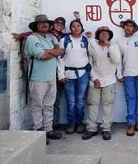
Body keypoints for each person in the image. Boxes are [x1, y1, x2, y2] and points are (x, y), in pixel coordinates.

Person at [24, 14, 63, 143]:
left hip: (51, 78)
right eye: (41, 23)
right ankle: (38, 132)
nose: (44, 24)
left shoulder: (51, 37)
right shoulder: (32, 38)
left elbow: (60, 51)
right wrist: (52, 52)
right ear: (36, 25)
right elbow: (42, 56)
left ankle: (48, 130)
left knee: (48, 106)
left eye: (46, 23)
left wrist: (49, 51)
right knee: (37, 106)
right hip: (37, 79)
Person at [82, 26, 120, 141]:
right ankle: (91, 129)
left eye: (106, 33)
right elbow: (89, 63)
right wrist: (95, 78)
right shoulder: (92, 45)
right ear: (97, 35)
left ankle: (106, 128)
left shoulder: (114, 46)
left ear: (109, 36)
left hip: (110, 80)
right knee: (92, 104)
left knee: (108, 105)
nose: (104, 35)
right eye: (101, 33)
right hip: (95, 80)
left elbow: (116, 60)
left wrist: (109, 46)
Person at [57, 19, 91, 134]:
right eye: (73, 26)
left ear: (82, 28)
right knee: (71, 101)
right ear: (70, 28)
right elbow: (60, 58)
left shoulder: (86, 40)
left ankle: (79, 123)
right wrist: (60, 74)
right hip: (68, 75)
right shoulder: (64, 40)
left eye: (78, 26)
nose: (76, 28)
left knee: (80, 101)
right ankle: (71, 124)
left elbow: (91, 56)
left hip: (83, 74)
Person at [117, 19, 138, 136]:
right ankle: (130, 123)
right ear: (124, 27)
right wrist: (119, 73)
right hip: (128, 74)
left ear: (134, 28)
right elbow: (118, 60)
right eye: (126, 25)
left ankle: (136, 120)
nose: (128, 28)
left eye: (131, 26)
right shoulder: (119, 42)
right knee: (130, 97)